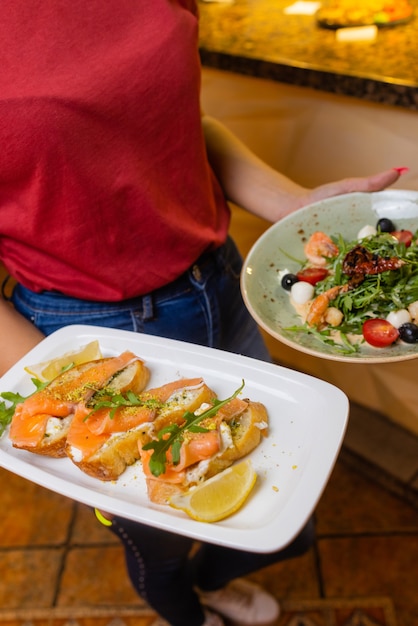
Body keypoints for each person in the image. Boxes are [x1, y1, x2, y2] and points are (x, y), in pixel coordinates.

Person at [0, 1, 404, 625]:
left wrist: (295, 203)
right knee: (156, 545)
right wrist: (51, 385)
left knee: (286, 523)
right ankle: (186, 614)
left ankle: (213, 583)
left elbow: (178, 122)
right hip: (80, 330)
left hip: (219, 283)